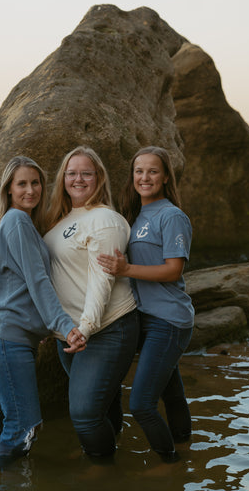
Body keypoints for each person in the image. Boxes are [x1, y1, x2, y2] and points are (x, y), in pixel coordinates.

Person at [0, 155, 85, 465]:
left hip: (5, 339)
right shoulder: (17, 221)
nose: (30, 190)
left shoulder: (21, 224)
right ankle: (8, 482)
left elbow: (21, 289)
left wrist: (41, 328)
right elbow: (38, 282)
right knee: (24, 428)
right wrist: (64, 326)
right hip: (7, 341)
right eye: (22, 184)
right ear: (9, 189)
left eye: (35, 183)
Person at [97, 146, 194, 463]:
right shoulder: (135, 215)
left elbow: (173, 269)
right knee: (171, 391)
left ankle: (170, 464)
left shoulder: (172, 216)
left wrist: (125, 270)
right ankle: (185, 449)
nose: (145, 177)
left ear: (166, 177)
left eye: (153, 171)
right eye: (139, 171)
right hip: (142, 318)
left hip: (168, 321)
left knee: (140, 404)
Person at [43, 146, 139, 458]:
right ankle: (113, 451)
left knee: (84, 414)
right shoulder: (59, 221)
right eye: (71, 173)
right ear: (63, 179)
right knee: (105, 402)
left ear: (98, 178)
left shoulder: (105, 220)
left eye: (86, 173)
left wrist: (86, 327)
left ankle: (102, 471)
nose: (78, 179)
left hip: (106, 329)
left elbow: (103, 280)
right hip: (70, 334)